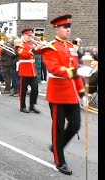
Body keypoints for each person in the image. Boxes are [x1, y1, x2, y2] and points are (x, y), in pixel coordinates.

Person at [41, 14, 86, 175]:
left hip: (71, 94)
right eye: (65, 27)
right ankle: (60, 161)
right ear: (57, 28)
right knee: (58, 129)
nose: (68, 30)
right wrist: (71, 71)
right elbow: (54, 68)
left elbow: (76, 74)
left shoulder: (70, 48)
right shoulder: (50, 47)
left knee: (75, 125)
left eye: (69, 27)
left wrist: (81, 92)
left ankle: (56, 147)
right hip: (57, 94)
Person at [15, 28, 43, 114]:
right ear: (24, 35)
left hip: (32, 69)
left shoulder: (31, 44)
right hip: (24, 69)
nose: (30, 37)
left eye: (31, 35)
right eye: (29, 35)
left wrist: (39, 44)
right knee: (23, 89)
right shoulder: (20, 44)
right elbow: (23, 54)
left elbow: (39, 52)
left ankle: (32, 106)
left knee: (35, 88)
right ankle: (22, 106)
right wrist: (35, 49)